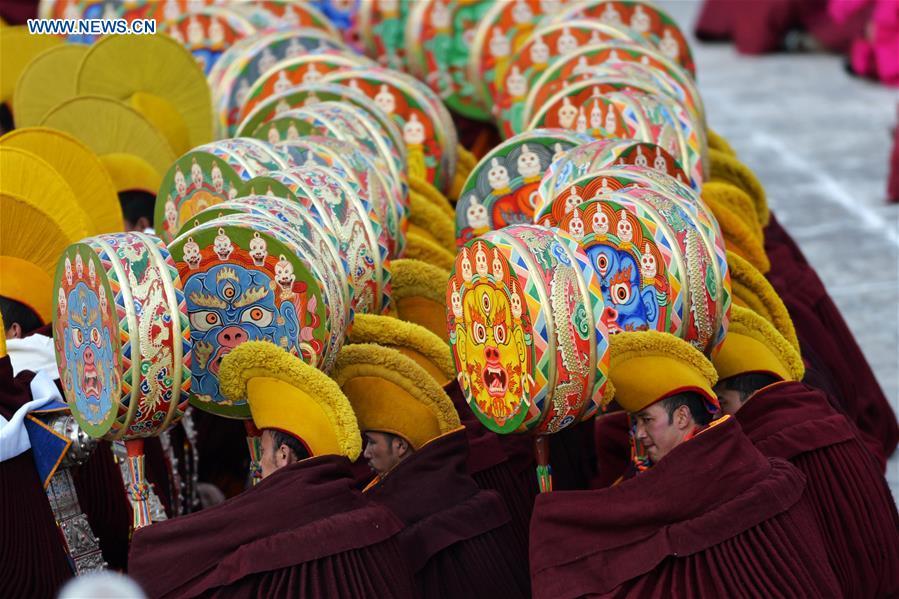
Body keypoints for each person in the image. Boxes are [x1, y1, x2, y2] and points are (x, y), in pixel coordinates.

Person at [529, 330, 842, 598]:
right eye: (636, 422)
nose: (638, 433)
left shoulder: (722, 466)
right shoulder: (669, 465)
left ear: (681, 417)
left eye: (646, 420)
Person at [128, 341, 415, 599]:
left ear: (283, 455)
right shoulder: (374, 516)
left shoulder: (271, 528)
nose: (260, 467)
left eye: (263, 452)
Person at [714, 305, 899, 598]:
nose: (723, 416)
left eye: (724, 403)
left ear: (749, 395)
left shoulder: (768, 445)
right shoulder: (823, 411)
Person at [332, 343, 531, 598]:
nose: (366, 454)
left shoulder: (405, 518)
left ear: (401, 445)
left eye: (371, 442)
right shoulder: (458, 488)